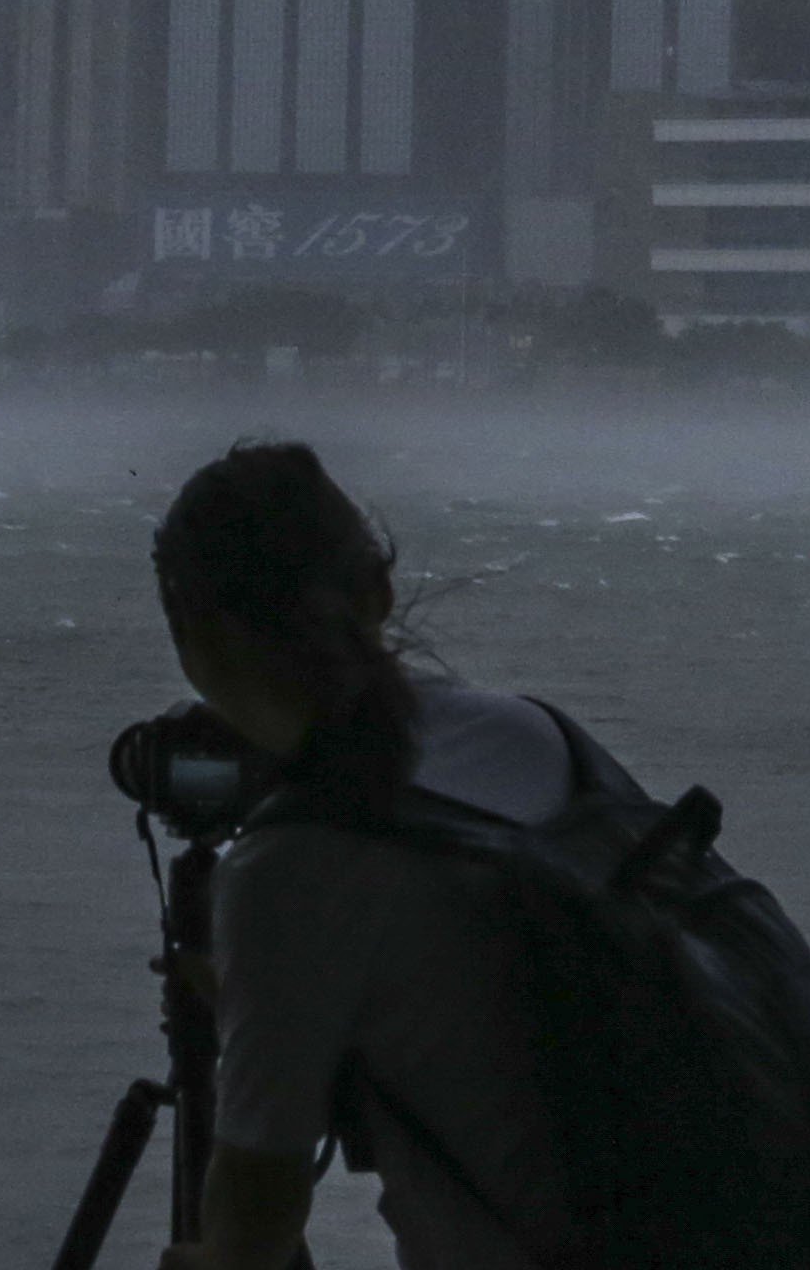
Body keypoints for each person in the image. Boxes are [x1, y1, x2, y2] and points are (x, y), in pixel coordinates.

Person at [150, 439, 590, 1270]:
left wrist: (254, 1006)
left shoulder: (292, 865)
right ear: (379, 593)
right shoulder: (539, 737)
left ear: (194, 643)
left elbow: (250, 1239)